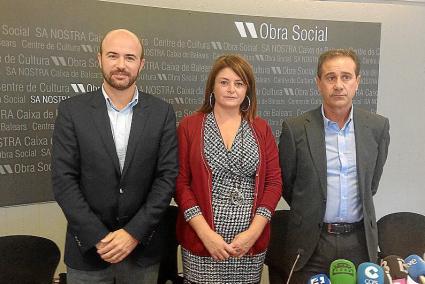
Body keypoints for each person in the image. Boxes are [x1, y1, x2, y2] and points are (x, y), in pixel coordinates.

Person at [52, 29, 178, 283]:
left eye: (130, 57)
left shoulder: (162, 112)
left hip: (141, 250)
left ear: (141, 64)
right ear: (99, 59)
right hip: (87, 251)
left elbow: (166, 178)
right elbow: (63, 180)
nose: (121, 65)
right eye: (113, 56)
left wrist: (132, 234)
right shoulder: (71, 111)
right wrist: (98, 237)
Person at [277, 49, 390, 282]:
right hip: (311, 244)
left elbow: (372, 184)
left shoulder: (377, 127)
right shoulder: (295, 128)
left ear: (357, 82)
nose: (338, 85)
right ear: (319, 83)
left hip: (359, 243)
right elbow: (288, 185)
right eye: (331, 77)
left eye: (346, 77)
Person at [175, 54, 282, 284]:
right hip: (203, 242)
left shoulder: (261, 129)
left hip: (247, 244)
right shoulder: (190, 126)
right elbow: (181, 183)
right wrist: (206, 235)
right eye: (224, 82)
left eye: (239, 83)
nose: (231, 89)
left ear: (248, 90)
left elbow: (274, 183)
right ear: (212, 86)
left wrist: (253, 234)